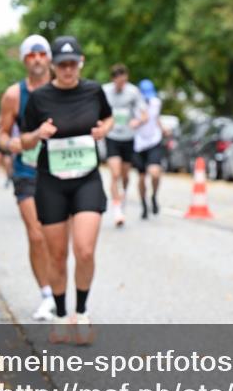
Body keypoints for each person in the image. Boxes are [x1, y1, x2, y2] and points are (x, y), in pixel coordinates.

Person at [21, 36, 113, 344]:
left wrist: (104, 129)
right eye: (62, 65)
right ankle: (61, 314)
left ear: (81, 63)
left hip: (87, 178)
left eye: (73, 64)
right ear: (53, 66)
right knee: (57, 255)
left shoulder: (93, 91)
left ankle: (82, 313)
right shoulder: (40, 98)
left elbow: (108, 117)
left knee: (84, 250)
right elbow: (24, 140)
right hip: (52, 181)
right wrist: (39, 133)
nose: (68, 70)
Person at [0, 35, 57, 322]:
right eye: (31, 55)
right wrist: (11, 143)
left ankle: (59, 291)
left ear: (49, 58)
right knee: (36, 234)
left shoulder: (64, 87)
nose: (37, 59)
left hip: (60, 171)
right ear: (24, 60)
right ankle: (46, 295)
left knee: (56, 238)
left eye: (42, 54)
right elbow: (1, 133)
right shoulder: (14, 95)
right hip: (27, 170)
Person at [101, 64, 143, 227]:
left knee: (125, 175)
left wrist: (138, 121)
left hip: (128, 137)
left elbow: (144, 113)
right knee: (115, 173)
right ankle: (117, 208)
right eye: (119, 81)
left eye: (124, 81)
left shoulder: (133, 92)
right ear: (113, 79)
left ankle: (123, 194)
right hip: (112, 136)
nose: (121, 84)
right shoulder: (105, 91)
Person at [132, 78, 164, 219]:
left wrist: (163, 128)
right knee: (141, 176)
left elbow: (156, 118)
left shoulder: (156, 102)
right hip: (138, 143)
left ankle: (154, 196)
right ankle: (143, 204)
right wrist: (139, 121)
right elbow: (130, 122)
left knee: (155, 172)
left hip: (153, 141)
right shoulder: (134, 104)